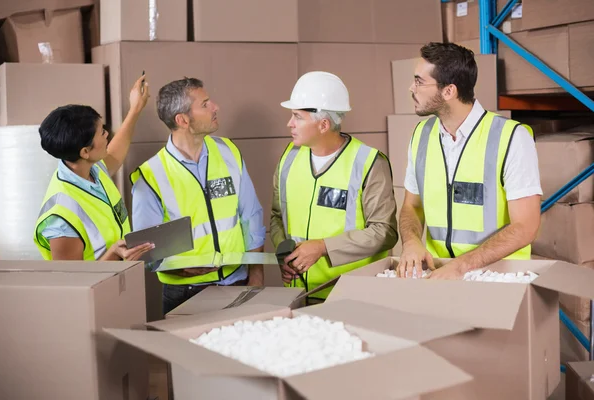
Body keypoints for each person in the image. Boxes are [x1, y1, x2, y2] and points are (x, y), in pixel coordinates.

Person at [396, 42, 542, 280]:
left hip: (498, 278)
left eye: (419, 81)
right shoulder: (421, 135)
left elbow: (525, 226)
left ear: (449, 91)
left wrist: (462, 266)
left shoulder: (512, 137)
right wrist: (411, 243)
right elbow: (412, 206)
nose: (411, 87)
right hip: (440, 274)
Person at [130, 77, 266, 314]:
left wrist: (256, 275)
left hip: (237, 282)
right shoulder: (151, 176)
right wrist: (178, 269)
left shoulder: (228, 151)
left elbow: (251, 215)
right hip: (185, 294)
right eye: (205, 104)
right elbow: (146, 252)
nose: (216, 107)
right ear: (182, 120)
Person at [271, 71, 399, 301]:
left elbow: (384, 231)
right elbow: (277, 216)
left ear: (323, 124)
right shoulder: (289, 159)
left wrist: (323, 247)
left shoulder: (368, 163)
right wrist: (285, 254)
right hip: (298, 295)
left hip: (351, 296)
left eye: (297, 117)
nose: (289, 124)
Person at [34, 74, 152, 261]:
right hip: (101, 288)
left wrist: (136, 108)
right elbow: (75, 283)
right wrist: (114, 255)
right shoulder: (61, 220)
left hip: (121, 281)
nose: (107, 135)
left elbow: (115, 153)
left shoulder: (92, 170)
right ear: (85, 152)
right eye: (102, 132)